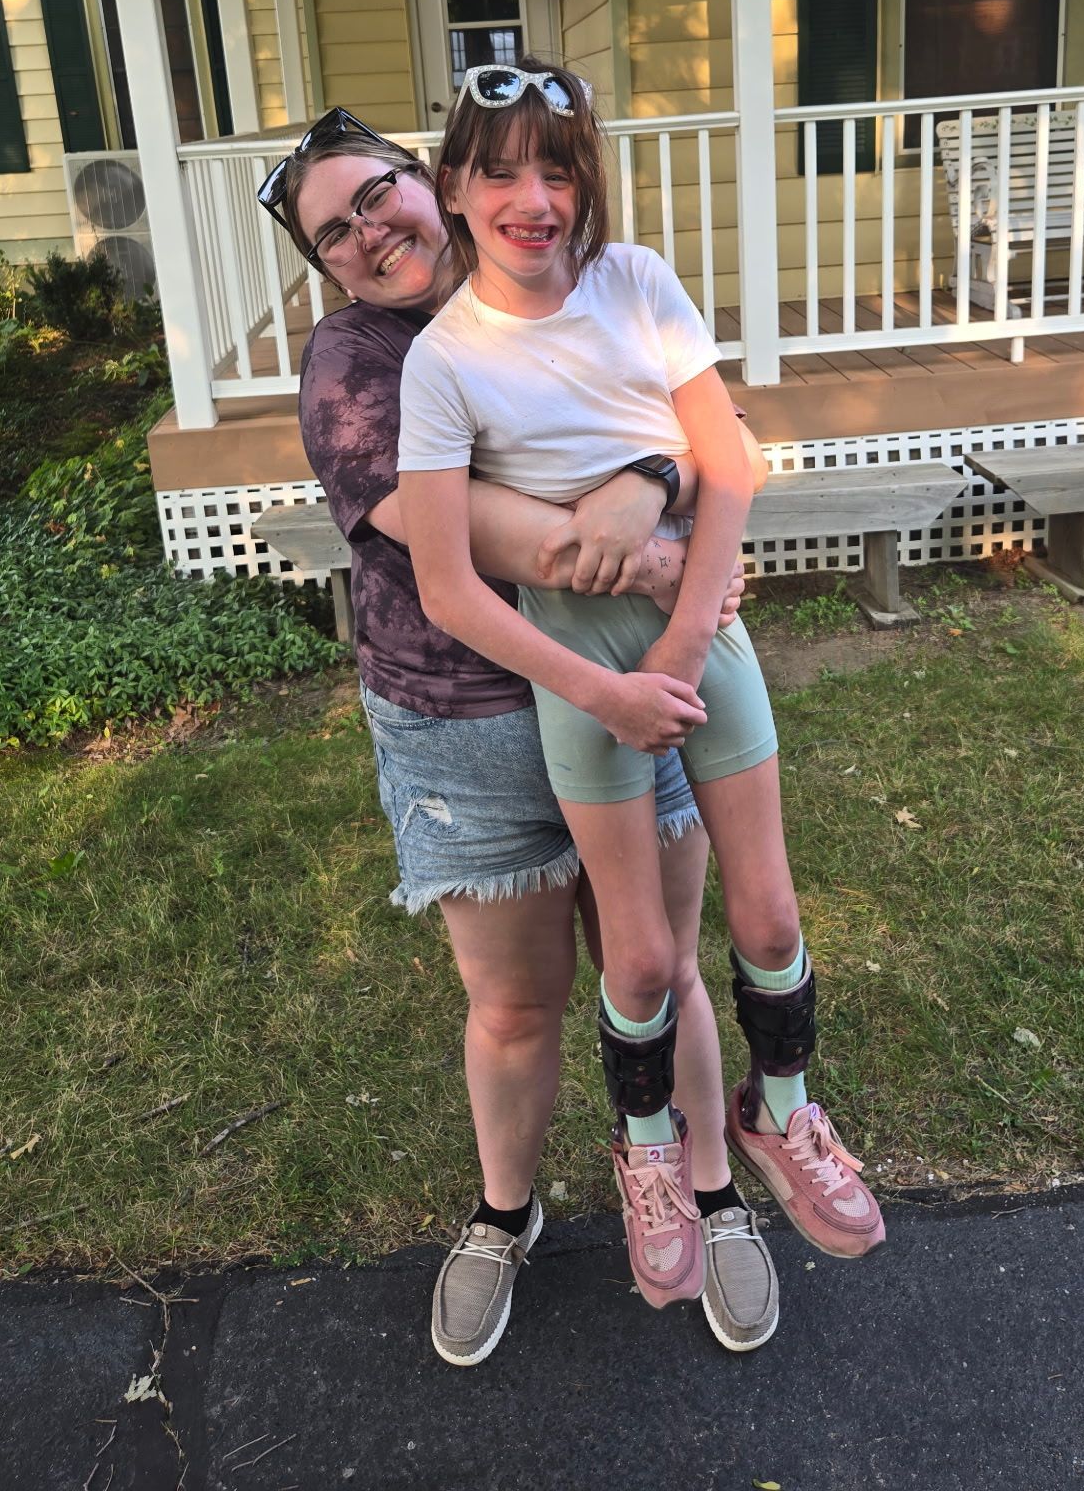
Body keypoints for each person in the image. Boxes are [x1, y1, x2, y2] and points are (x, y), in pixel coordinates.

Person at [257, 107, 780, 1362]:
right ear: (327, 267)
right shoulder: (358, 364)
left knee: (663, 964)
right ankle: (506, 1213)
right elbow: (489, 537)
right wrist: (662, 555)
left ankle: (711, 1189)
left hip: (635, 686)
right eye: (334, 233)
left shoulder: (580, 279)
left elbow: (714, 439)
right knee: (514, 1003)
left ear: (425, 179)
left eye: (376, 194)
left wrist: (656, 480)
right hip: (467, 721)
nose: (370, 231)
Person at [398, 61, 886, 1305]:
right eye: (499, 170)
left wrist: (681, 640)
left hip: (696, 634)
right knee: (644, 952)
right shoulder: (442, 360)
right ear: (452, 186)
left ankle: (784, 1110)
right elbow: (448, 585)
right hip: (578, 668)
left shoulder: (636, 281)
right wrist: (607, 691)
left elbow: (728, 462)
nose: (533, 198)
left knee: (768, 916)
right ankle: (651, 1147)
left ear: (586, 183)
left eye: (557, 169)